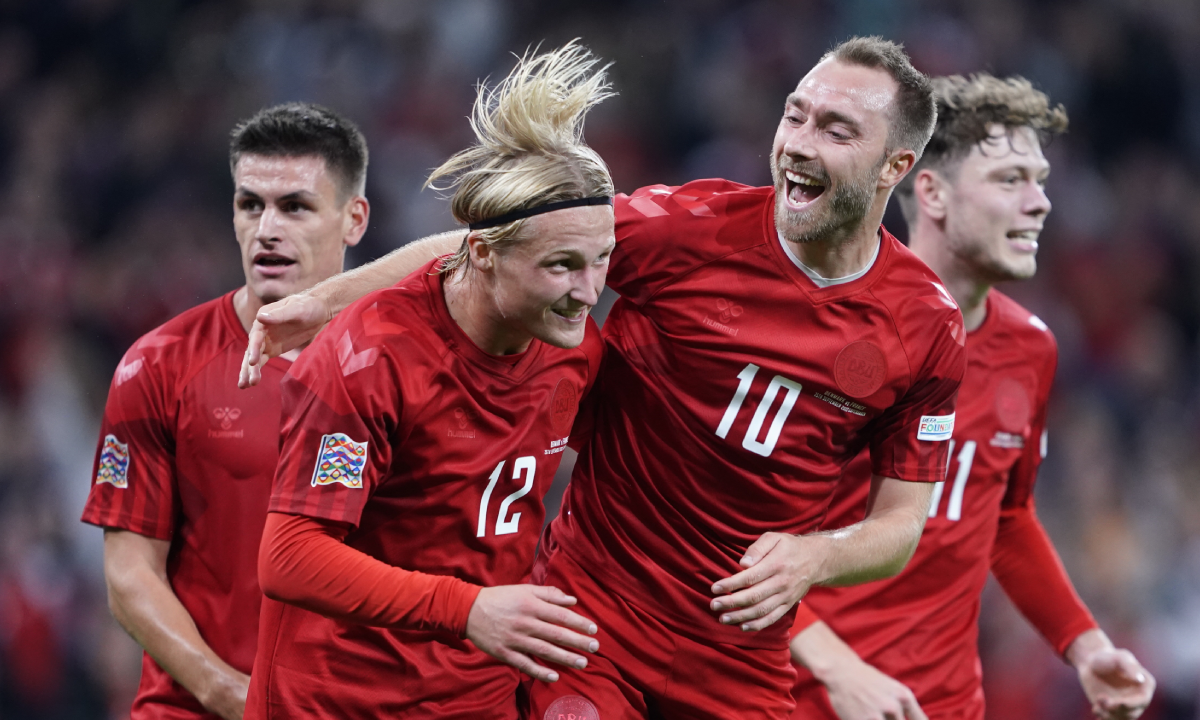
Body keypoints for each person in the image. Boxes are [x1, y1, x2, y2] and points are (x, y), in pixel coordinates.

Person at [241, 36, 965, 719]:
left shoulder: (927, 327)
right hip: (590, 626)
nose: (799, 143)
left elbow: (901, 524)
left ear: (896, 167)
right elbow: (522, 234)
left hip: (738, 660)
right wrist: (329, 301)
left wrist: (816, 556)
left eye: (836, 131)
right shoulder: (692, 228)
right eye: (794, 115)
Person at [243, 43, 613, 720]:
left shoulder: (573, 341)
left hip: (478, 698)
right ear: (482, 254)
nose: (589, 291)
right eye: (562, 266)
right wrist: (468, 608)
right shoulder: (370, 359)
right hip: (337, 702)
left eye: (602, 261)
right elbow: (290, 558)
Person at [787, 73, 1156, 720]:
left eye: (1040, 180)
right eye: (1011, 180)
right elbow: (723, 532)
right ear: (931, 192)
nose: (1040, 203)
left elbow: (1005, 518)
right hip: (806, 700)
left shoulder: (1032, 347)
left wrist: (1084, 644)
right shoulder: (829, 329)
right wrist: (840, 671)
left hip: (947, 705)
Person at [81, 103, 371, 720]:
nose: (267, 228)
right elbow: (130, 574)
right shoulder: (158, 364)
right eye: (250, 205)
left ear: (354, 219)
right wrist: (228, 693)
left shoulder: (406, 365)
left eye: (295, 206)